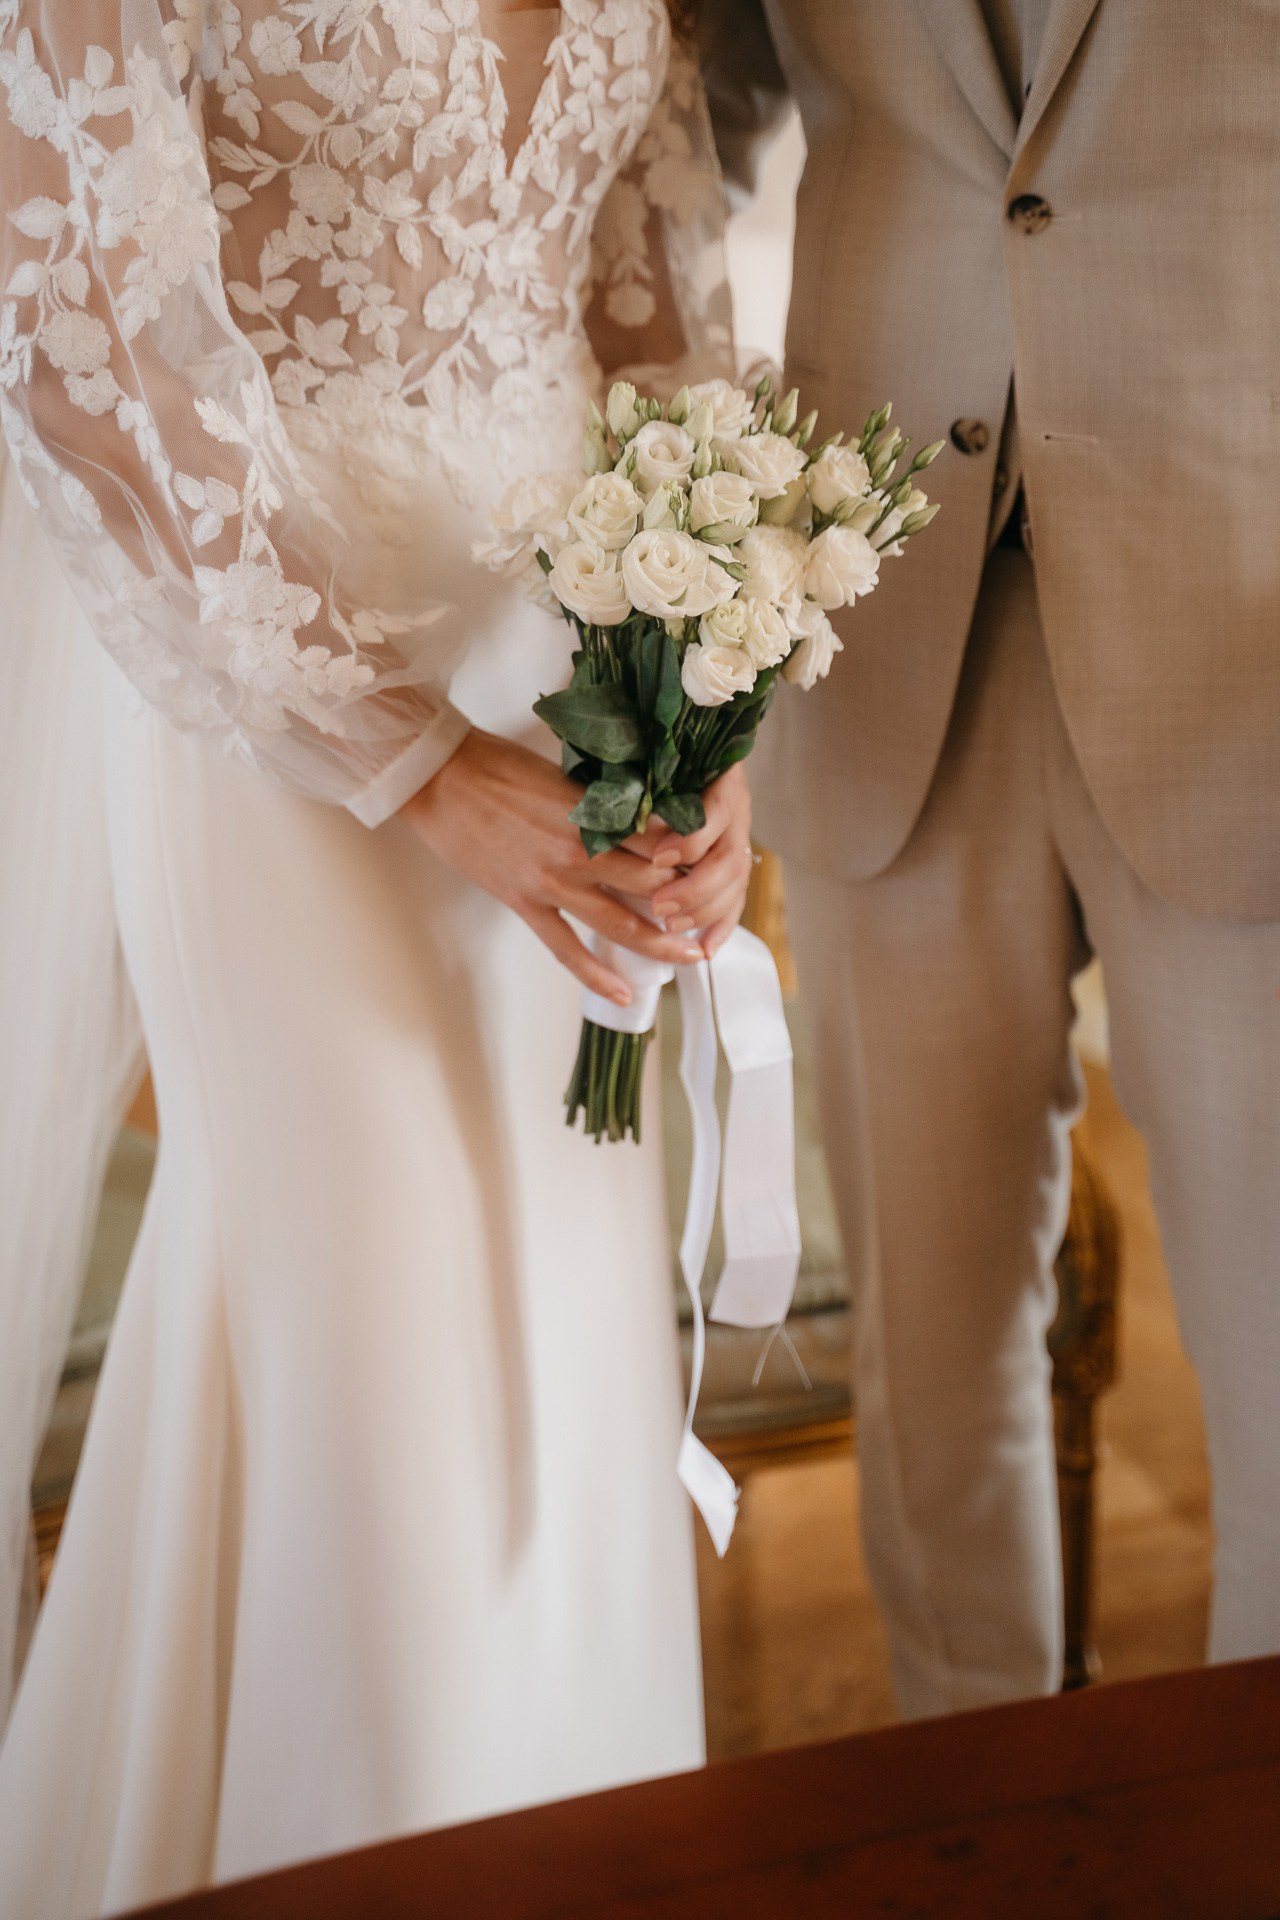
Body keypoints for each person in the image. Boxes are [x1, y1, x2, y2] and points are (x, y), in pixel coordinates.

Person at [0, 3, 753, 1912]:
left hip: (577, 678)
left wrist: (707, 700)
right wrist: (412, 759)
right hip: (272, 707)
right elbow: (90, 352)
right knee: (385, 1375)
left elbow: (647, 297)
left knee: (563, 1361)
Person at [700, 0, 1280, 1716]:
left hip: (1244, 619)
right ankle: (971, 1830)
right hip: (874, 618)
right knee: (935, 1377)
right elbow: (676, 114)